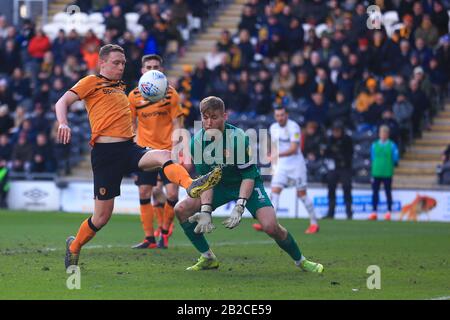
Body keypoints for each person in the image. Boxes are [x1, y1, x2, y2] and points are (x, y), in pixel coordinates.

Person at [56, 44, 222, 269]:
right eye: (116, 62)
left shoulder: (122, 88)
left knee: (163, 155)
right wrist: (63, 122)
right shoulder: (91, 82)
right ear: (102, 62)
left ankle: (191, 185)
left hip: (129, 148)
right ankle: (74, 246)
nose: (121, 67)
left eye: (123, 63)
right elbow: (62, 102)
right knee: (102, 217)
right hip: (105, 155)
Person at [174, 96, 323, 272]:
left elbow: (248, 175)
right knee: (181, 209)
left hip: (246, 183)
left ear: (225, 116)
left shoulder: (238, 138)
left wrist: (240, 205)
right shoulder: (196, 143)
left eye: (214, 117)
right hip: (219, 185)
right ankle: (207, 257)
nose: (208, 122)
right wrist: (206, 210)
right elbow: (207, 181)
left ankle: (301, 261)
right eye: (205, 117)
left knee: (270, 226)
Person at [128, 54, 183, 249]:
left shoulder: (171, 94)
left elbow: (178, 121)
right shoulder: (134, 95)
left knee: (172, 193)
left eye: (156, 66)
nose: (152, 69)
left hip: (167, 151)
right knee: (145, 191)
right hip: (145, 151)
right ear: (142, 70)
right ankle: (149, 238)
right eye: (148, 66)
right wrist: (134, 145)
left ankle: (165, 233)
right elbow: (131, 123)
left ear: (162, 70)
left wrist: (177, 145)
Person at [252, 107, 319, 234]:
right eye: (277, 115)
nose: (280, 118)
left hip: (296, 166)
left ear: (286, 115)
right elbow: (273, 145)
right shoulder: (273, 127)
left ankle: (314, 223)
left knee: (302, 195)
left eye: (282, 115)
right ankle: (269, 223)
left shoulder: (293, 127)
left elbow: (294, 148)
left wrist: (276, 154)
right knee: (274, 192)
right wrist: (269, 152)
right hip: (281, 166)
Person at [323, 122, 353, 220]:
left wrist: (340, 156)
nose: (335, 133)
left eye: (337, 131)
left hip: (345, 167)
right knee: (331, 188)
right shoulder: (330, 139)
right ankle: (331, 213)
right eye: (334, 131)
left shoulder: (347, 139)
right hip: (334, 168)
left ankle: (349, 212)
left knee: (347, 188)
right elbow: (327, 152)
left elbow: (350, 153)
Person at [369, 125, 399, 221]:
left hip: (387, 172)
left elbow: (395, 158)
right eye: (381, 133)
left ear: (387, 134)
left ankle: (389, 212)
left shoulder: (392, 145)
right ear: (379, 134)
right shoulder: (374, 145)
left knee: (388, 192)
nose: (383, 135)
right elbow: (372, 157)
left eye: (385, 133)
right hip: (376, 171)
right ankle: (374, 212)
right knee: (375, 192)